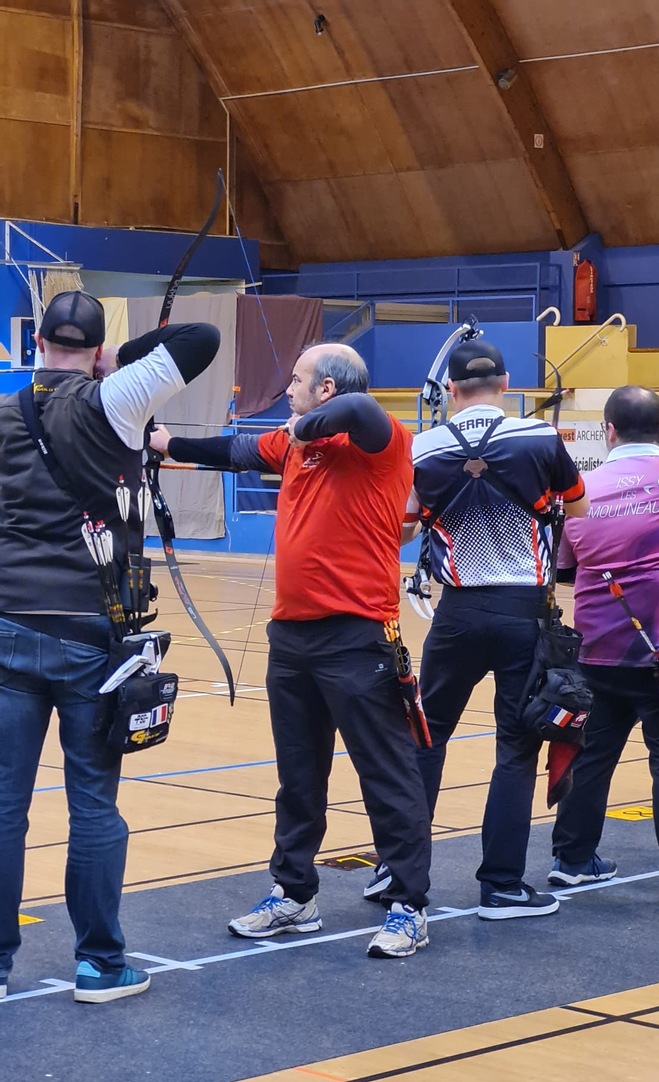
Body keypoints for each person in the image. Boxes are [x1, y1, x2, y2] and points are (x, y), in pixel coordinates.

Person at [150, 342, 432, 958]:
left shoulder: (380, 441)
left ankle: (409, 905)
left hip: (357, 636)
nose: (288, 391)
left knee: (386, 773)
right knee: (298, 776)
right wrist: (169, 444)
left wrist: (302, 429)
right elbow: (236, 451)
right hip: (292, 636)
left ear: (326, 389)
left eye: (298, 381)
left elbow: (360, 408)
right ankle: (294, 893)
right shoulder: (295, 444)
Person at [0, 289, 220, 1002]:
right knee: (93, 804)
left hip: (9, 625)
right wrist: (122, 360)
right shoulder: (114, 397)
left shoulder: (6, 411)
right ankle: (98, 964)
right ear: (95, 351)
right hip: (92, 635)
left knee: (3, 807)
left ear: (37, 343)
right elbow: (201, 337)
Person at [401, 336, 589, 919]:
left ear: (450, 389)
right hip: (522, 614)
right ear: (506, 384)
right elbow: (577, 508)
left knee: (426, 739)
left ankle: (397, 873)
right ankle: (502, 886)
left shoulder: (422, 446)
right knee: (516, 749)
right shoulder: (540, 437)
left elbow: (405, 528)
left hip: (456, 614)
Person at [549, 386, 659, 898]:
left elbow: (563, 569)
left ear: (609, 431)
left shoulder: (578, 492)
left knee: (591, 754)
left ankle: (572, 860)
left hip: (598, 648)